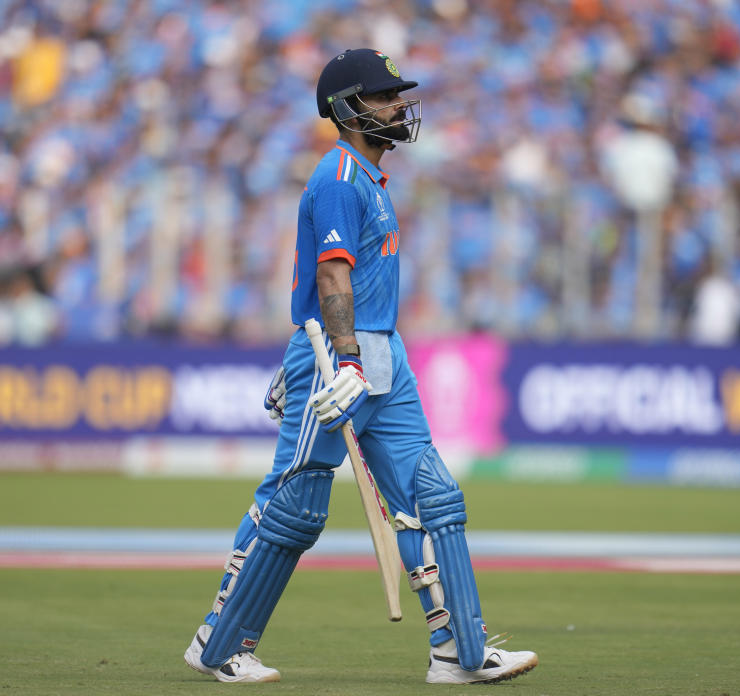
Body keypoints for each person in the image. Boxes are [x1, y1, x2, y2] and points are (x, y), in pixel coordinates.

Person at [182, 48, 539, 685]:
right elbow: (331, 276)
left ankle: (458, 649)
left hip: (384, 353)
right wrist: (336, 361)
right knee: (295, 505)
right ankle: (219, 643)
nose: (398, 106)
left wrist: (367, 357)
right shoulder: (339, 177)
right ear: (349, 109)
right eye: (383, 97)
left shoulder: (370, 178)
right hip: (338, 353)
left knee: (434, 496)